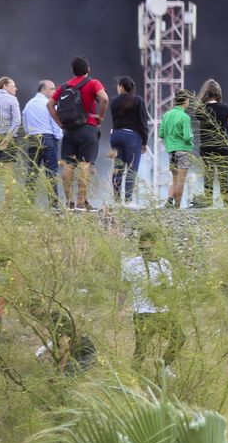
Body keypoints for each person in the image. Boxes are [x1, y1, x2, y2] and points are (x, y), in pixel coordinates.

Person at [48, 57, 108, 212]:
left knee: (68, 165)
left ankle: (69, 202)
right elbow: (104, 99)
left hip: (69, 130)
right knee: (84, 164)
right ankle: (81, 201)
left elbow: (50, 104)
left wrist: (60, 124)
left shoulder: (64, 86)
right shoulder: (93, 83)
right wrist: (100, 117)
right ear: (88, 69)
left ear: (72, 71)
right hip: (88, 128)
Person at [123, 230, 182, 373]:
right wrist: (120, 309)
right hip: (143, 313)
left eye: (147, 249)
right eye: (141, 249)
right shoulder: (132, 264)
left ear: (156, 246)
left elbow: (170, 288)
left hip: (163, 311)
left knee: (179, 338)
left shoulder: (165, 264)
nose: (144, 252)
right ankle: (133, 377)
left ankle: (164, 366)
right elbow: (123, 287)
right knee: (141, 349)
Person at [194, 79, 228, 209]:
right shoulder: (226, 108)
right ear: (218, 93)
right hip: (223, 146)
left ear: (205, 93)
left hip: (207, 147)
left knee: (209, 175)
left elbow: (200, 123)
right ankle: (227, 205)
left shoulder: (200, 109)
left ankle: (208, 202)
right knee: (224, 176)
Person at [108, 77, 148, 206]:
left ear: (121, 87)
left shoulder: (114, 101)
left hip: (116, 135)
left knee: (118, 168)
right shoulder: (138, 101)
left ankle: (117, 200)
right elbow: (143, 123)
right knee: (131, 169)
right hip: (132, 137)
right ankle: (128, 200)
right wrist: (144, 142)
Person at [22, 80, 63, 186]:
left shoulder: (29, 104)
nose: (55, 91)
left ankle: (28, 196)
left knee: (32, 172)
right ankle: (52, 197)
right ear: (43, 89)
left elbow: (25, 121)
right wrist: (57, 137)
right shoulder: (50, 104)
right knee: (51, 173)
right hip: (48, 139)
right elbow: (56, 123)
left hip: (32, 138)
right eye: (52, 89)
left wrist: (29, 134)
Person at [160, 91, 195, 209]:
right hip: (184, 150)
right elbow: (187, 137)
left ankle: (170, 201)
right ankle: (177, 207)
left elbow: (161, 134)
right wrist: (191, 137)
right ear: (185, 101)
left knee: (174, 179)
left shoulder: (166, 115)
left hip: (172, 151)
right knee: (181, 181)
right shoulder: (185, 117)